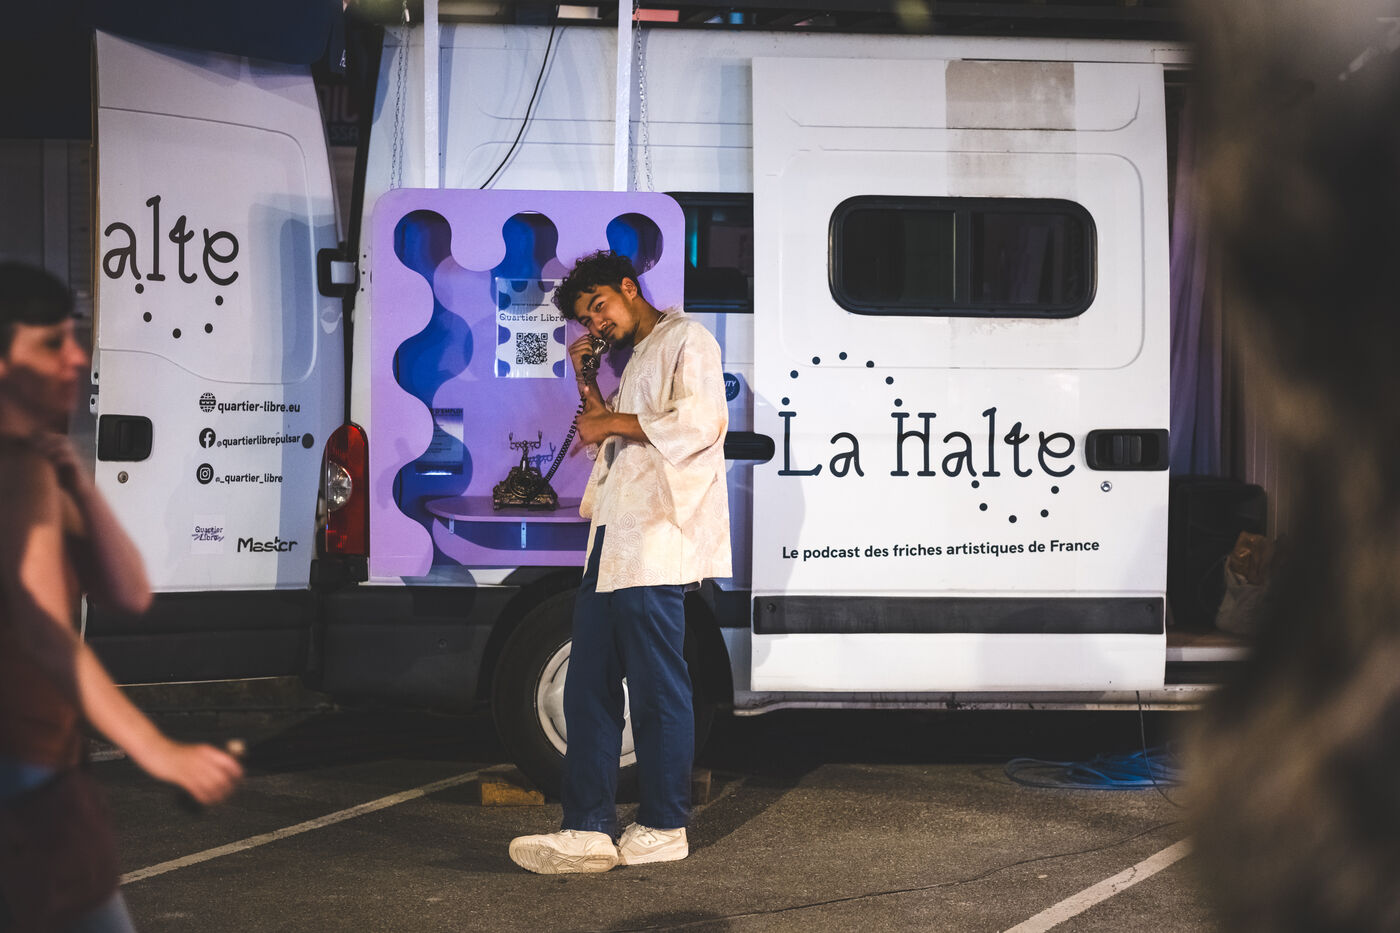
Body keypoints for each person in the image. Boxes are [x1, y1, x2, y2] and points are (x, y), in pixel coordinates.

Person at [0, 262, 243, 931]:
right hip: (26, 784)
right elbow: (46, 633)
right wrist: (157, 749)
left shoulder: (37, 464)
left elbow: (127, 591)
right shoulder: (16, 472)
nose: (76, 357)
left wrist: (77, 481)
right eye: (51, 343)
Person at [508, 250, 731, 874]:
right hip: (612, 537)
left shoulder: (688, 339)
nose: (597, 323)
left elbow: (701, 424)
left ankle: (664, 825)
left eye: (599, 306)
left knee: (658, 686)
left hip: (656, 538)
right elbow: (606, 435)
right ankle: (587, 828)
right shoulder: (634, 360)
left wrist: (610, 417)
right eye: (587, 318)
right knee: (588, 685)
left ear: (629, 287)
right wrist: (587, 383)